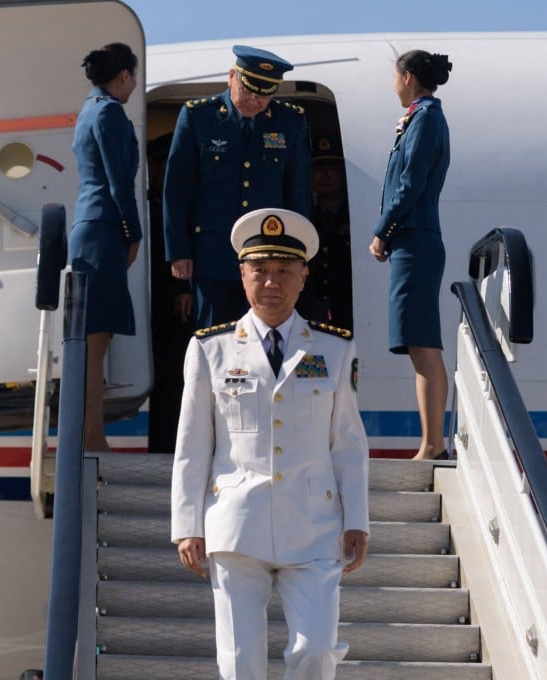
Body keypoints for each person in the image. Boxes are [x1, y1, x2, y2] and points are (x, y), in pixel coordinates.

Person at [171, 208, 370, 680]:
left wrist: (357, 518)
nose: (271, 283)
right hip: (236, 525)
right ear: (242, 276)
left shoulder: (335, 349)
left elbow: (346, 442)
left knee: (316, 651)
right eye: (260, 270)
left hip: (315, 527)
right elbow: (192, 443)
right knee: (239, 663)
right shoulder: (209, 348)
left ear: (303, 278)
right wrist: (186, 524)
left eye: (284, 272)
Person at [163, 44, 312, 329]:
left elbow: (298, 192)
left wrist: (298, 252)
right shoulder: (199, 116)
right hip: (212, 253)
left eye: (264, 96)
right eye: (249, 92)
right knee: (215, 336)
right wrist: (179, 250)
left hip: (268, 256)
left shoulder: (290, 121)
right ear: (232, 76)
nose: (255, 102)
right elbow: (177, 189)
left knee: (265, 335)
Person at [368, 50, 453, 461]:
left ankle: (433, 443)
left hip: (415, 240)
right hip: (413, 240)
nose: (392, 84)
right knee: (418, 343)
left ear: (407, 77)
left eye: (394, 76)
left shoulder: (426, 119)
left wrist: (383, 230)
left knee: (422, 343)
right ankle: (431, 441)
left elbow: (410, 183)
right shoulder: (422, 117)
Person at [69, 42, 141, 452]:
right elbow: (118, 181)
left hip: (90, 225)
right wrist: (133, 232)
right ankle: (92, 437)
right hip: (104, 229)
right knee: (96, 343)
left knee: (94, 341)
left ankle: (91, 433)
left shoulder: (89, 108)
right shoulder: (111, 112)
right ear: (124, 76)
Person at [146, 132, 194, 453]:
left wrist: (184, 288)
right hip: (150, 307)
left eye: (169, 163)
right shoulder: (146, 204)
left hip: (180, 308)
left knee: (180, 377)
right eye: (159, 163)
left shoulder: (186, 204)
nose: (164, 169)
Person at [297, 134, 353, 330]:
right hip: (311, 306)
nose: (325, 176)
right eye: (318, 169)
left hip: (349, 305)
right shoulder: (304, 215)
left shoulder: (355, 215)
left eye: (332, 169)